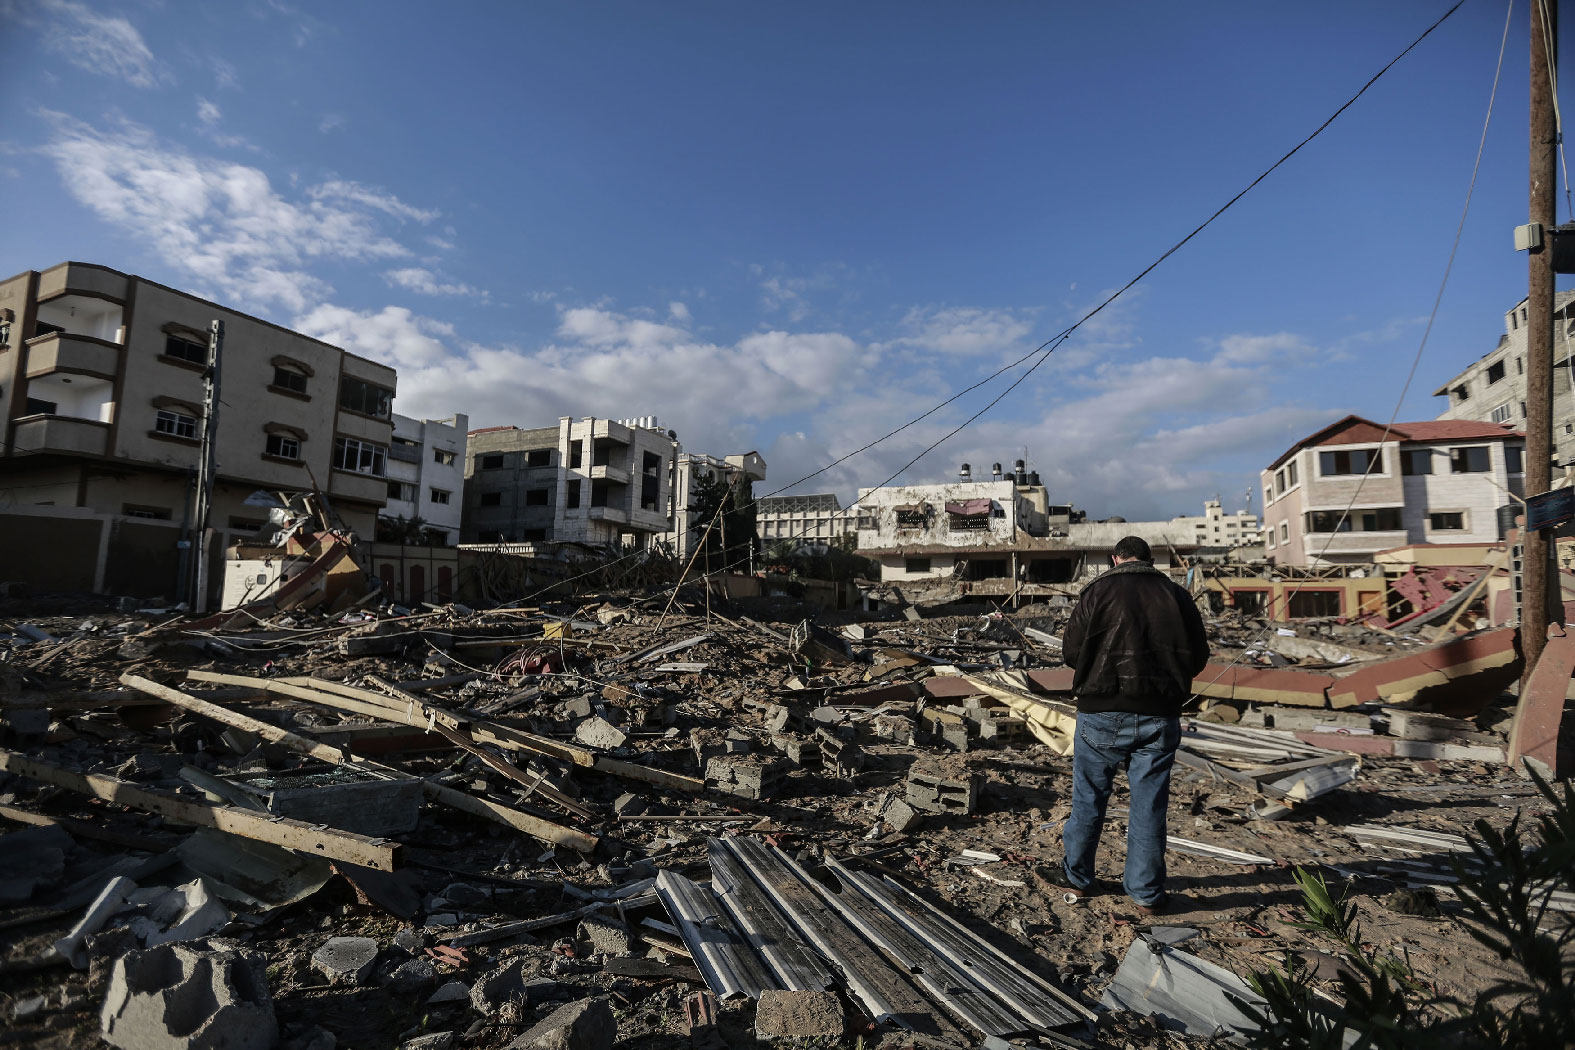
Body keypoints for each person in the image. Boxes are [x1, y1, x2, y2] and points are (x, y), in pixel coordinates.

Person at [1056, 535, 1209, 914]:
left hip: (1100, 711)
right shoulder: (1176, 595)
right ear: (1148, 560)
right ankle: (1145, 892)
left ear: (1115, 559)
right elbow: (1198, 655)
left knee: (1089, 798)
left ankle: (1078, 878)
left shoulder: (1096, 592)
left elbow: (1071, 652)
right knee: (1149, 805)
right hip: (1160, 714)